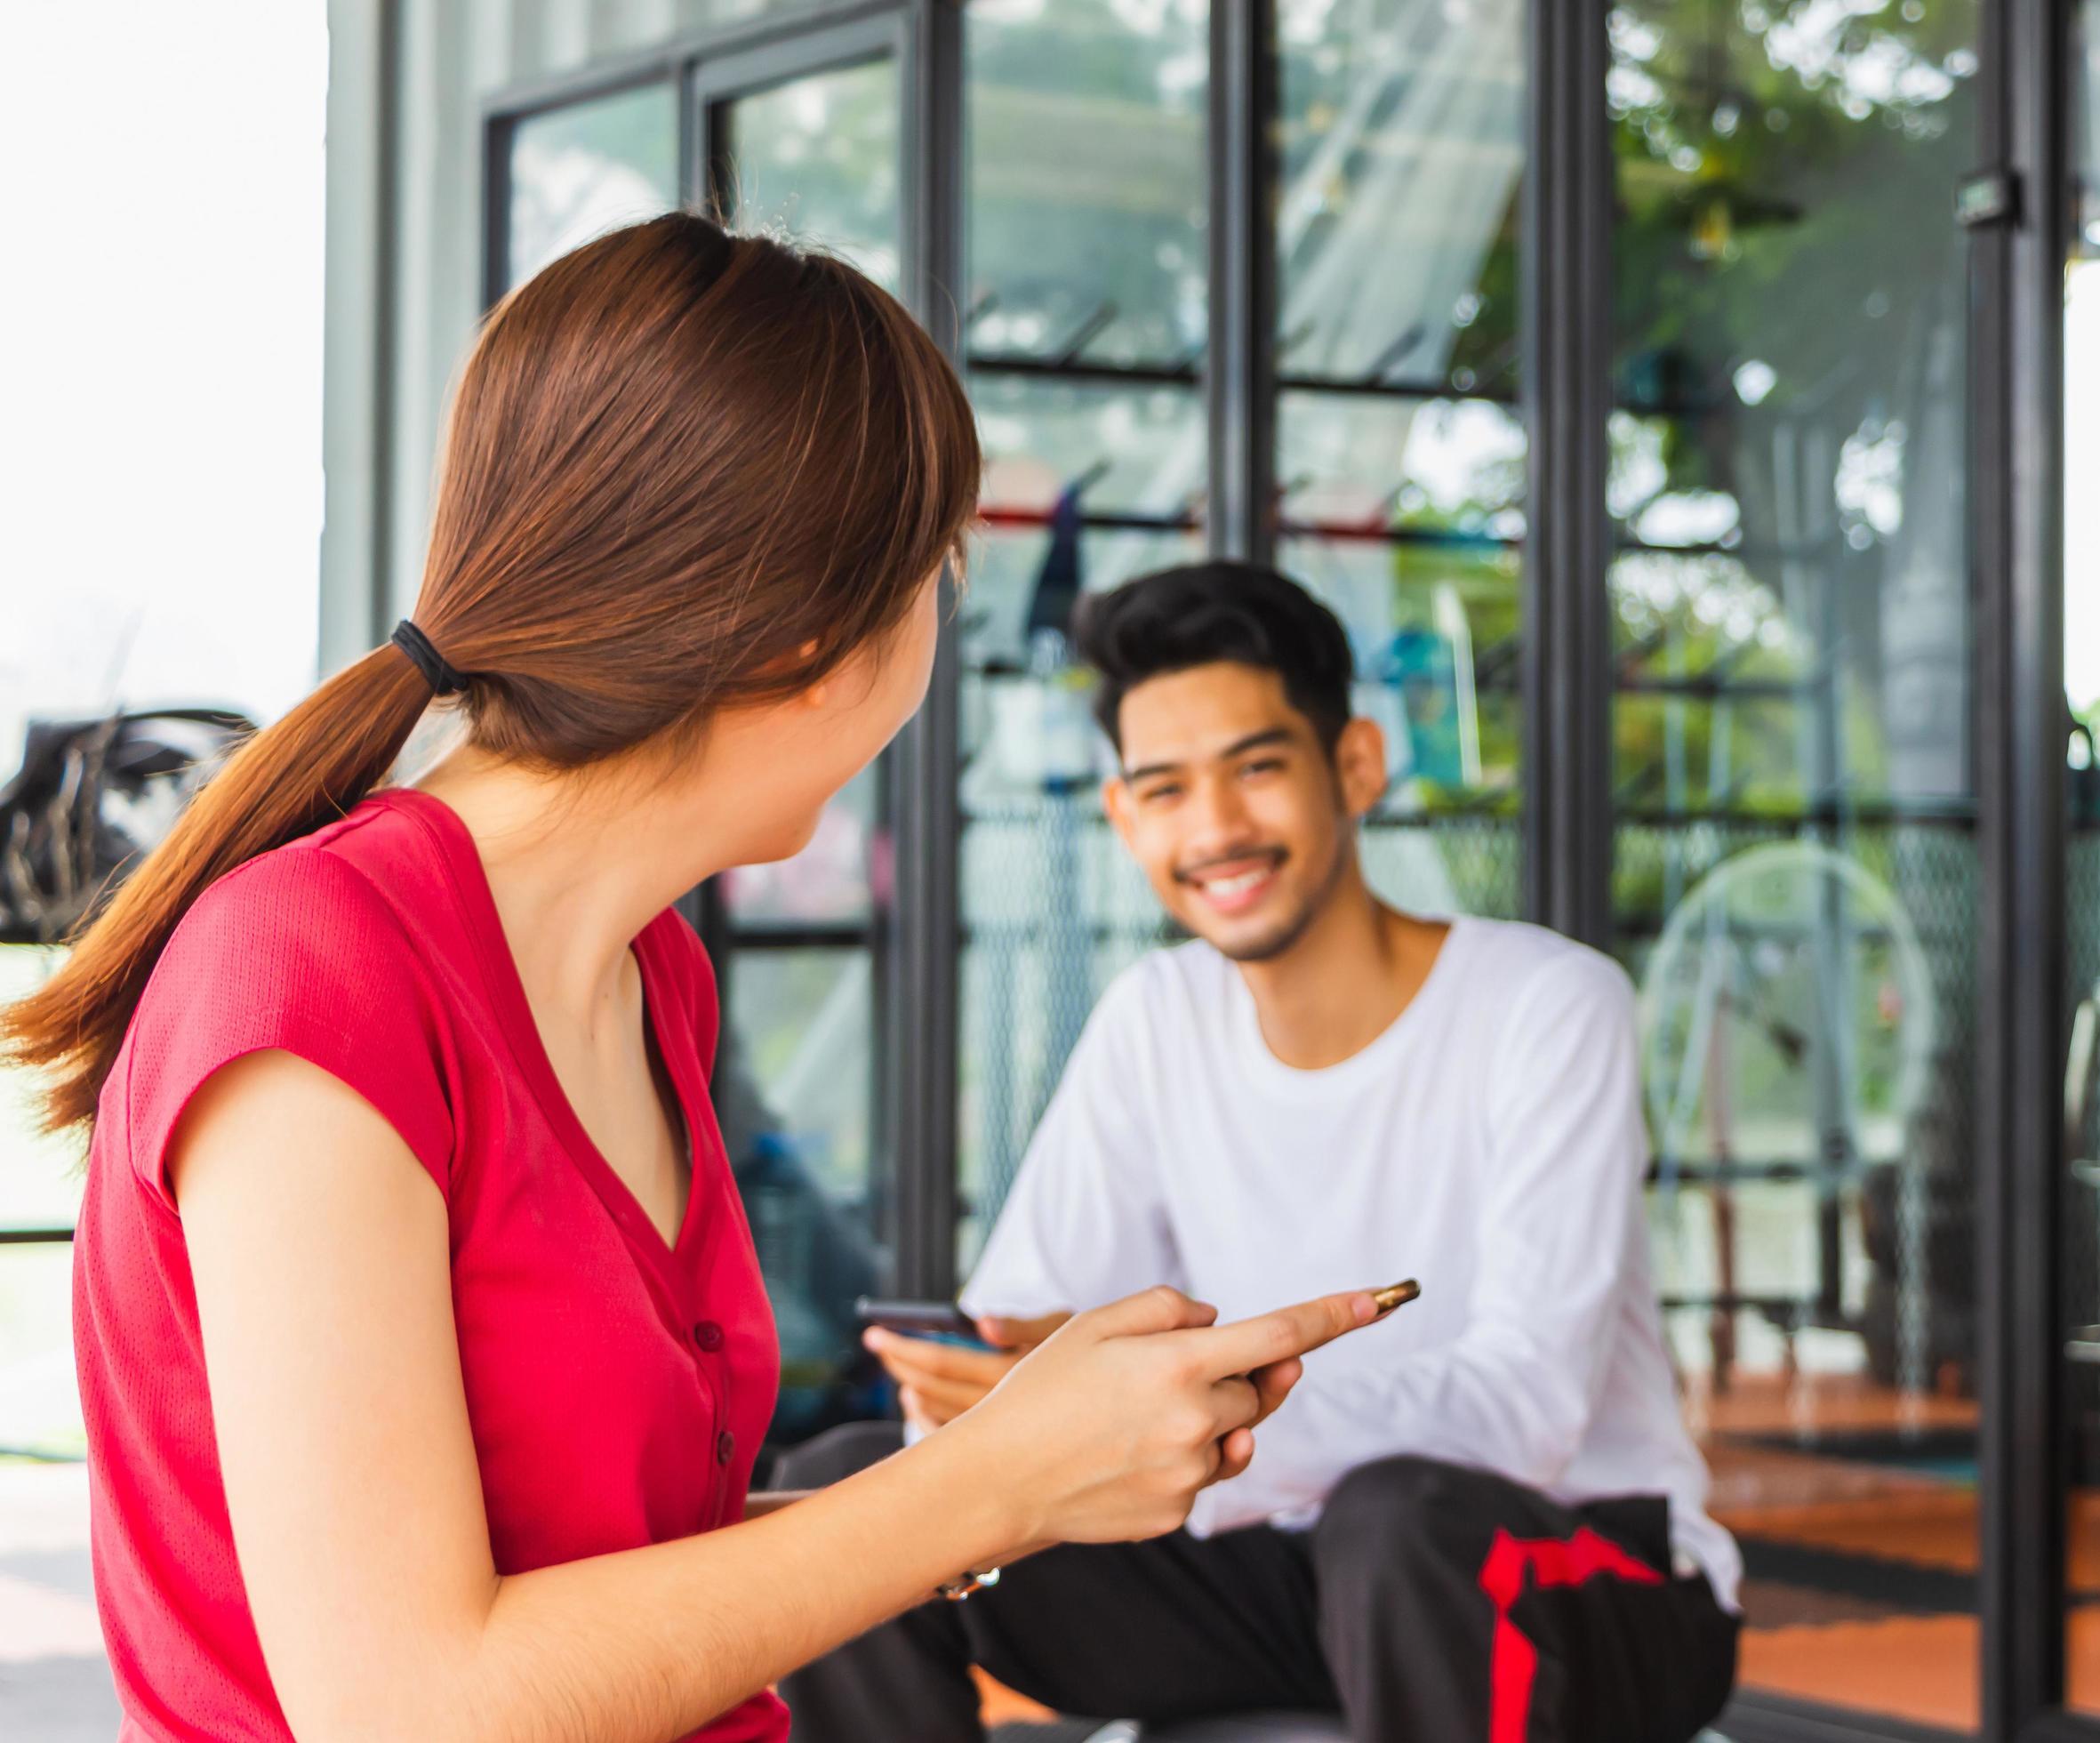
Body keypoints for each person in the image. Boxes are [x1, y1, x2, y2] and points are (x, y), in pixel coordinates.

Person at [0, 218, 1383, 1743]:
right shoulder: (307, 980)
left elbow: (635, 1591)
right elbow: (404, 1708)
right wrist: (988, 1484)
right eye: (934, 573)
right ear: (805, 636)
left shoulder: (647, 973)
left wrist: (1030, 1467)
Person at [803, 562, 1743, 1742]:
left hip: (1581, 1571)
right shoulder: (1156, 1016)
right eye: (1165, 788)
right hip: (1271, 1569)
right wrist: (992, 1390)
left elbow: (1526, 1413)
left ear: (1353, 764)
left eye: (1255, 768)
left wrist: (1186, 1411)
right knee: (853, 1489)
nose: (1215, 830)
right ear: (1124, 817)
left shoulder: (1545, 1004)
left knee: (1391, 1521)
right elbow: (1026, 1319)